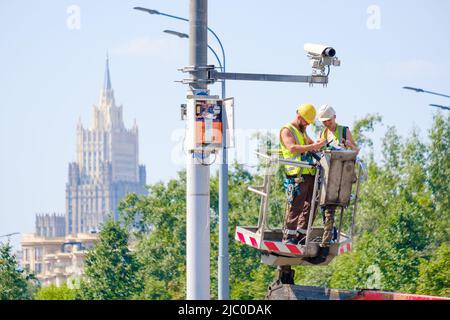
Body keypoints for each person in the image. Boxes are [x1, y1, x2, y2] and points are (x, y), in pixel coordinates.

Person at [307, 104, 359, 264]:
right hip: (326, 173)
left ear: (334, 118)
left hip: (341, 173)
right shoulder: (323, 132)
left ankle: (326, 244)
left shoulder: (344, 130)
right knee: (323, 207)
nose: (326, 124)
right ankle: (330, 234)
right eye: (324, 122)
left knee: (329, 207)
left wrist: (349, 146)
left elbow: (356, 150)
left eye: (328, 121)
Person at [279, 103, 326, 245]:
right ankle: (289, 238)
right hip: (297, 175)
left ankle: (301, 235)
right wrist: (313, 146)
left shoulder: (302, 131)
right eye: (306, 122)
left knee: (312, 204)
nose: (307, 125)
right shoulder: (287, 130)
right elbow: (292, 148)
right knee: (296, 206)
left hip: (308, 173)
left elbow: (311, 144)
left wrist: (319, 144)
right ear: (299, 117)